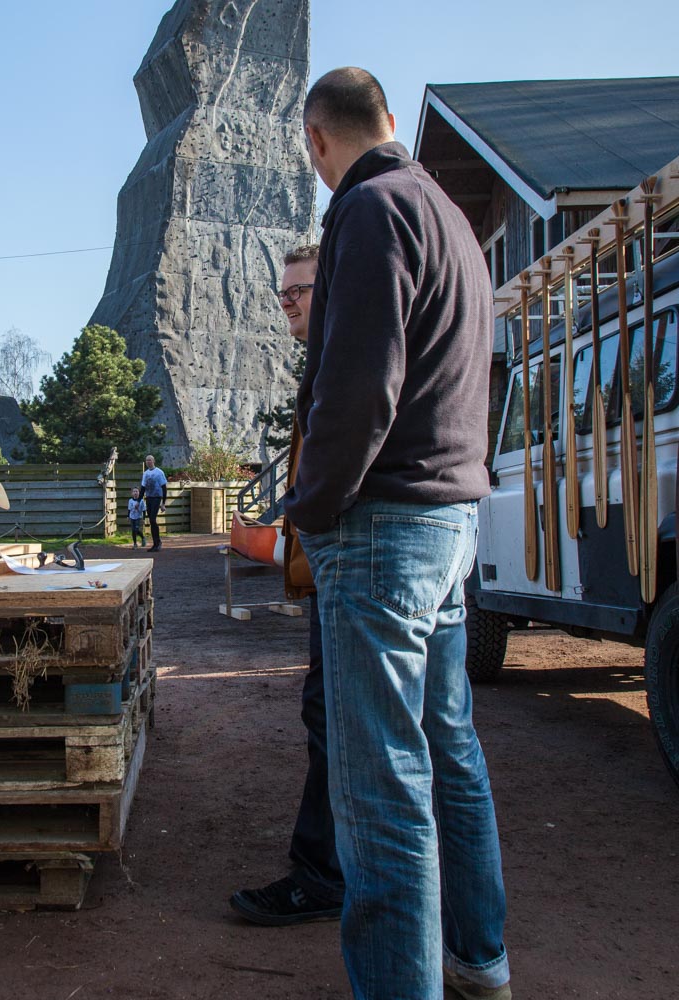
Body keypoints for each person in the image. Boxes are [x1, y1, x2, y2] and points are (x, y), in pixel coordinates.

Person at [285, 69, 510, 1000]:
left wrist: (311, 506)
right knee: (447, 747)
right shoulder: (451, 217)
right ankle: (481, 960)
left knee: (379, 789)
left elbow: (358, 385)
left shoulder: (368, 209)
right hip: (450, 518)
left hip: (384, 524)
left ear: (317, 140)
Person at [230, 245, 344, 925]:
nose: (288, 302)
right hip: (329, 558)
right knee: (332, 714)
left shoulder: (347, 355)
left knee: (335, 717)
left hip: (347, 561)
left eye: (299, 289)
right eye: (283, 293)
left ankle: (325, 875)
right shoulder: (325, 357)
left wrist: (311, 524)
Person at [139, 454, 167, 551]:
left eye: (150, 460)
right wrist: (139, 500)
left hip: (157, 497)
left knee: (152, 519)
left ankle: (158, 542)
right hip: (149, 498)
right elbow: (142, 488)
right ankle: (155, 544)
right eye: (147, 460)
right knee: (151, 521)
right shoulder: (145, 474)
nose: (148, 462)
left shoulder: (159, 472)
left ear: (154, 461)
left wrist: (163, 503)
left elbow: (164, 488)